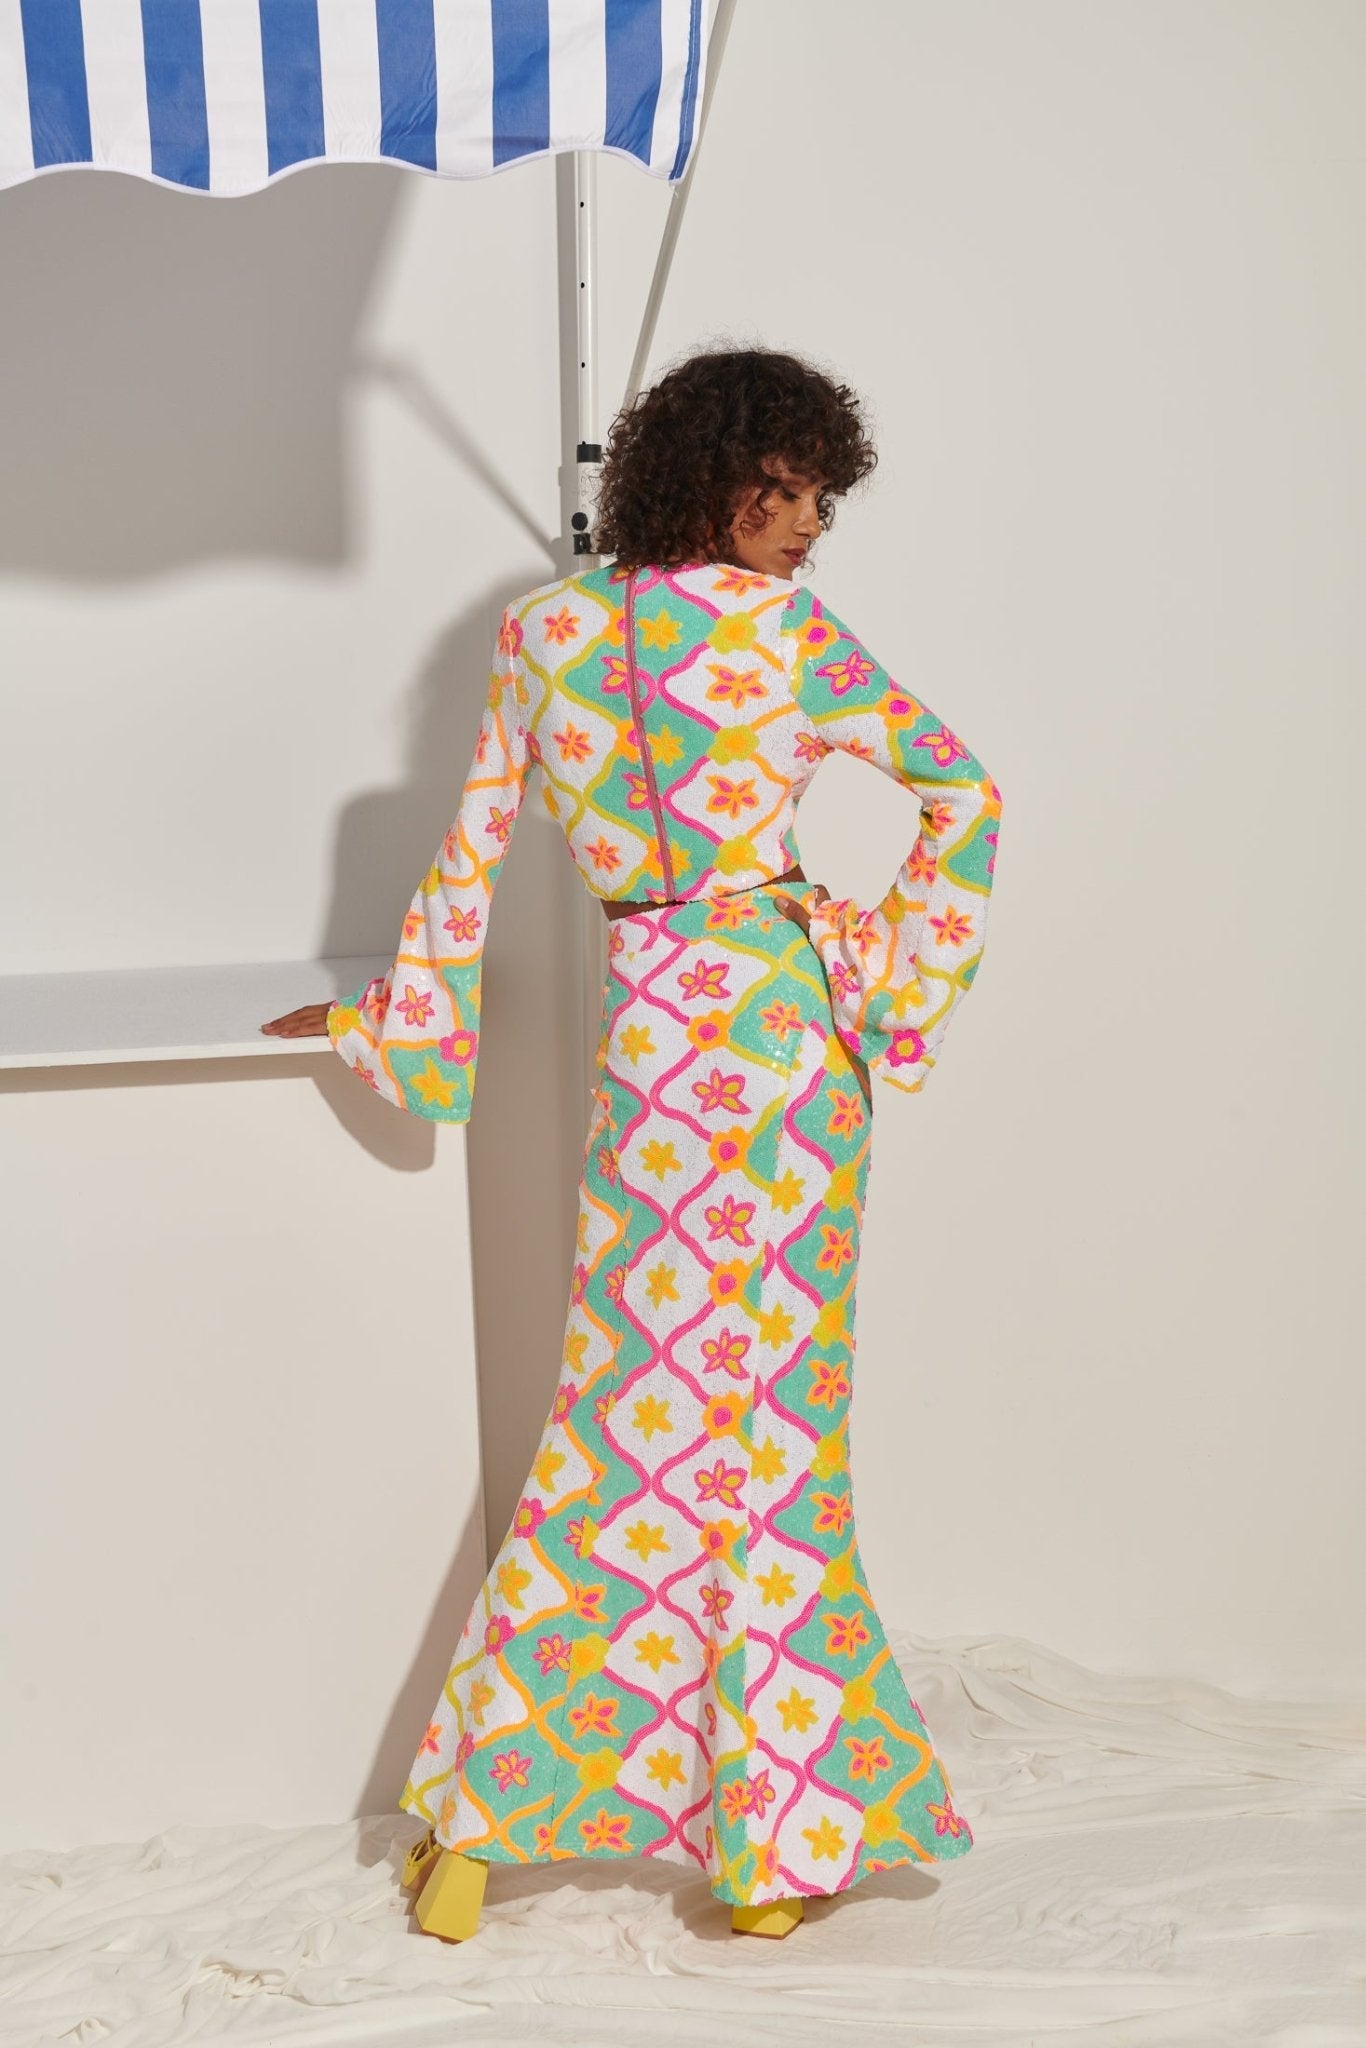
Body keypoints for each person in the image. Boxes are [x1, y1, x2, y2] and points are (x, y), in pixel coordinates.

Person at [262, 346, 1003, 1941]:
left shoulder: (544, 634)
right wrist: (875, 976)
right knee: (772, 1431)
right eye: (782, 490)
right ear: (708, 478)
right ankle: (773, 1837)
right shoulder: (786, 639)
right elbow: (963, 798)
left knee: (627, 1421)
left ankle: (481, 1826)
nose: (806, 525)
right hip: (787, 1052)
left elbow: (469, 851)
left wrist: (387, 1023)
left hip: (655, 1038)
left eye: (820, 500)